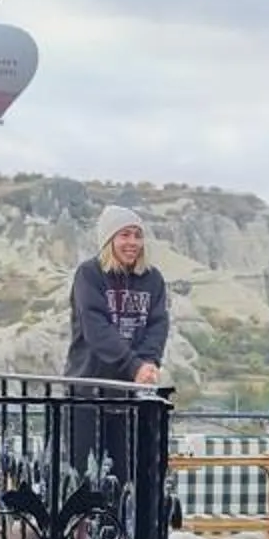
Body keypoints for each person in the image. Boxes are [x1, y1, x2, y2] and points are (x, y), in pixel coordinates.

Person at [66, 205, 170, 495]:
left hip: (128, 393)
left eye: (137, 235)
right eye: (125, 234)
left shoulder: (153, 279)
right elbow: (95, 327)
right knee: (83, 476)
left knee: (125, 475)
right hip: (88, 388)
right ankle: (81, 536)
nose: (132, 242)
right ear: (109, 239)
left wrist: (149, 362)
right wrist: (134, 364)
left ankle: (119, 536)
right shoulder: (89, 274)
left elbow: (158, 324)